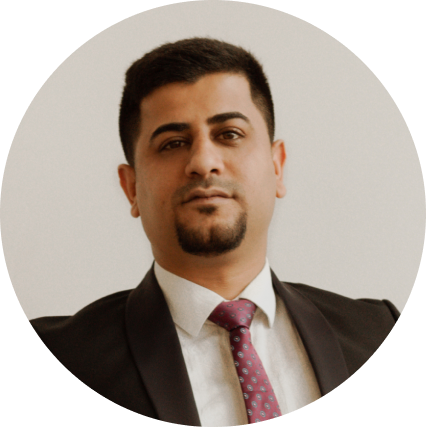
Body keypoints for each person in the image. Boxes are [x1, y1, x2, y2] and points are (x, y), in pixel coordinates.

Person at [29, 37, 399, 425]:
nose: (204, 162)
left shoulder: (377, 331)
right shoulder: (63, 354)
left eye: (229, 134)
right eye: (173, 143)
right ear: (131, 187)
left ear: (277, 166)